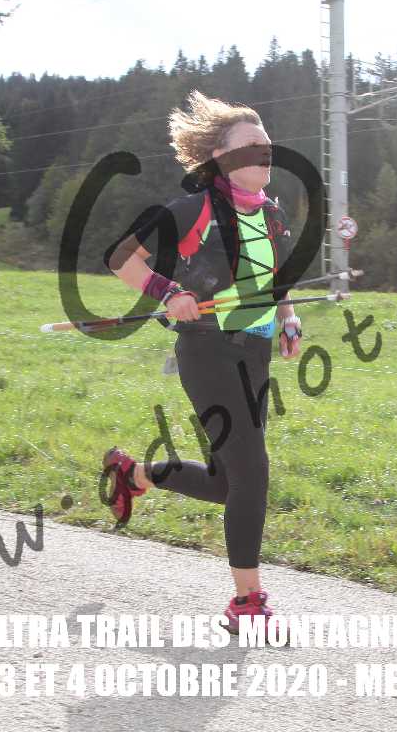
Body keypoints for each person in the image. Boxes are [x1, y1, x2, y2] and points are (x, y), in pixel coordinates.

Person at [100, 90, 302, 632]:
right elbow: (120, 258)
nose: (265, 153)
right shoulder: (193, 210)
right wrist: (169, 292)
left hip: (255, 355)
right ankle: (247, 603)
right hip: (208, 352)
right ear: (221, 158)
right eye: (251, 145)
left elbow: (277, 280)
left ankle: (132, 474)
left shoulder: (272, 215)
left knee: (225, 482)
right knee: (252, 473)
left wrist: (288, 319)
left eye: (267, 145)